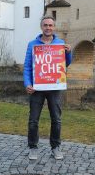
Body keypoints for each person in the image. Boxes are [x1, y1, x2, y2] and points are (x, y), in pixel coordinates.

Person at [23, 16, 72, 160]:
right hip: (37, 88)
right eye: (45, 25)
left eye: (50, 25)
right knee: (33, 120)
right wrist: (27, 84)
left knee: (56, 119)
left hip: (54, 87)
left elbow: (65, 64)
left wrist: (68, 53)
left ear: (54, 27)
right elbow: (27, 67)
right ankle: (33, 147)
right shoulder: (32, 44)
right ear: (41, 27)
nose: (48, 28)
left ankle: (55, 147)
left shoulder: (60, 43)